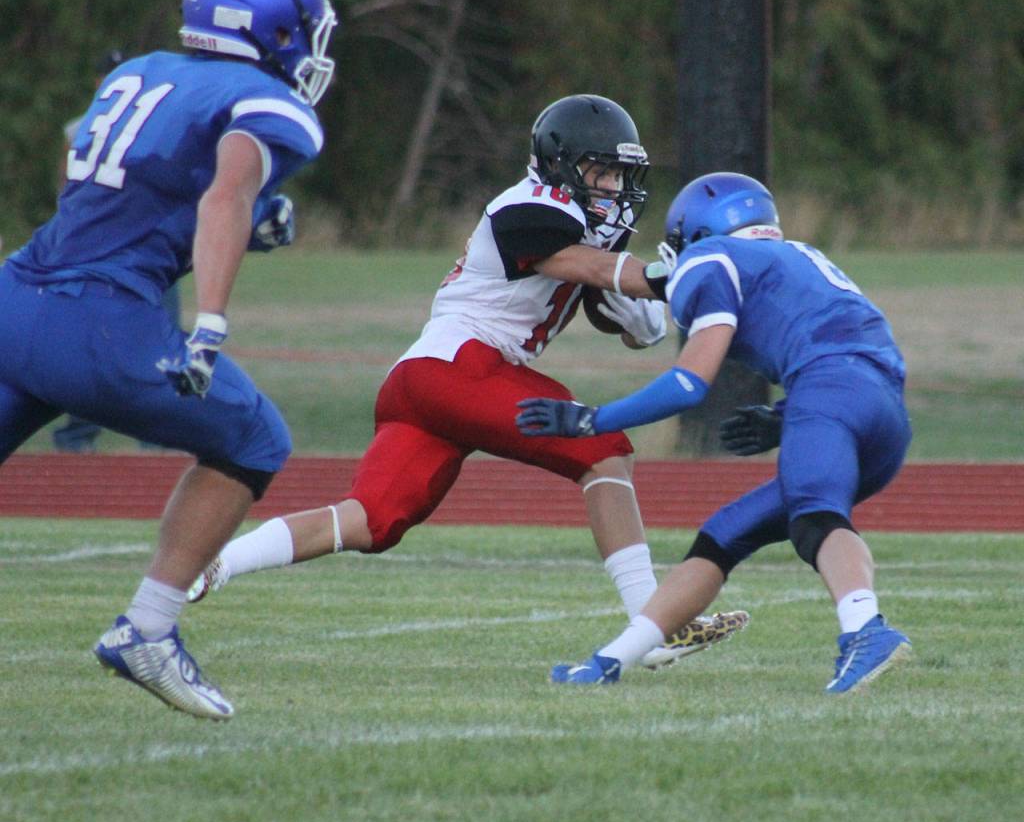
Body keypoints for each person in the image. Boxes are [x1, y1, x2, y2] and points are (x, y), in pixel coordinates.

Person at [187, 94, 749, 664]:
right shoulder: (530, 204)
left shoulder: (585, 232)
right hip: (462, 366)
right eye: (600, 172)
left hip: (423, 380)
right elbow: (590, 267)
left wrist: (648, 294)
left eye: (618, 175)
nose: (611, 187)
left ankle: (215, 562)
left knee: (370, 522)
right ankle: (653, 625)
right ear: (561, 164)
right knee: (604, 450)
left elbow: (637, 328)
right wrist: (681, 274)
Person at [0, 0, 338, 720]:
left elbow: (116, 188)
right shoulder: (271, 102)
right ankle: (148, 628)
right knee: (255, 438)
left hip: (16, 298)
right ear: (276, 26)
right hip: (99, 323)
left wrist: (248, 222)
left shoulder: (139, 70)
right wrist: (210, 324)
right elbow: (224, 195)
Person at [517, 171, 912, 693]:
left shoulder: (710, 257)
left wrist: (594, 419)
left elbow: (690, 382)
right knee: (723, 535)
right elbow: (851, 347)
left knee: (816, 517)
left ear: (698, 233)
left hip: (827, 391)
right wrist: (789, 416)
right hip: (882, 413)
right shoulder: (797, 256)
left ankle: (866, 629)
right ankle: (611, 660)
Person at [52, 49, 185, 453]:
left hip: (143, 248)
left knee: (150, 342)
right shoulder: (90, 127)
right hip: (115, 250)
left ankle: (149, 440)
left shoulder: (95, 126)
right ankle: (81, 436)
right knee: (99, 343)